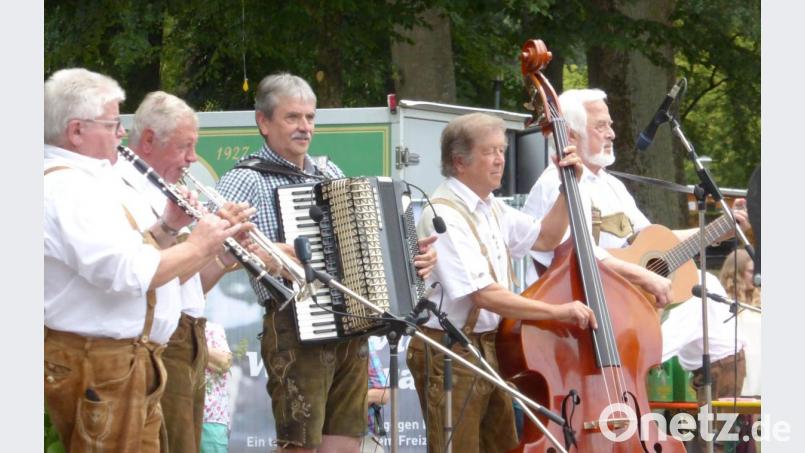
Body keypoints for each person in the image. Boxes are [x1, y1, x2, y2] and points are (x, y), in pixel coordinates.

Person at [215, 72, 437, 452]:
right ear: (263, 122)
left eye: (310, 117)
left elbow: (369, 243)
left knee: (347, 441)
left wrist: (413, 258)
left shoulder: (329, 173)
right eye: (292, 117)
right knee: (300, 445)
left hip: (349, 324)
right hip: (293, 324)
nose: (305, 127)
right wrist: (265, 256)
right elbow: (211, 242)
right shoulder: (245, 180)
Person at [522, 88, 749, 450]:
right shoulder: (554, 184)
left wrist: (720, 228)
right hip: (586, 324)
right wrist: (643, 276)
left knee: (717, 310)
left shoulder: (611, 185)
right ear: (572, 135)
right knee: (708, 299)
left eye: (610, 124)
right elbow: (576, 252)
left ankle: (716, 441)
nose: (612, 133)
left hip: (627, 311)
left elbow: (654, 242)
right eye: (601, 126)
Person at [44, 68, 241, 452]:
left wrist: (169, 227)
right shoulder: (67, 188)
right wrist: (199, 244)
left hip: (124, 362)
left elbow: (135, 251)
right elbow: (128, 272)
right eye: (112, 124)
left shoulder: (87, 182)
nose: (121, 133)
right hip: (102, 364)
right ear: (76, 131)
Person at [407, 112, 601, 453]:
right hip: (450, 351)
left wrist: (567, 187)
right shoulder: (444, 214)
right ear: (459, 161)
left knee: (502, 445)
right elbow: (484, 295)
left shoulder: (491, 207)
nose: (500, 160)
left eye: (502, 150)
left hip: (485, 346)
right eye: (490, 151)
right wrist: (557, 312)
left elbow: (546, 237)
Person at [120, 90, 254, 452]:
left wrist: (223, 253)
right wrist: (201, 243)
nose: (192, 158)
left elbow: (189, 287)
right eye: (185, 147)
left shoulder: (164, 189)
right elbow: (145, 277)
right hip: (159, 343)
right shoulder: (125, 190)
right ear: (149, 140)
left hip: (190, 333)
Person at [719, 249, 760, 396]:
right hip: (737, 369)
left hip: (760, 368)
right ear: (736, 273)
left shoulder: (759, 299)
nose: (756, 276)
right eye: (751, 271)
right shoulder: (723, 302)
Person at [201, 321, 234, 453]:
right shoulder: (167, 327)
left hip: (210, 420)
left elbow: (224, 362)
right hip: (174, 418)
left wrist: (191, 346)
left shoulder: (211, 329)